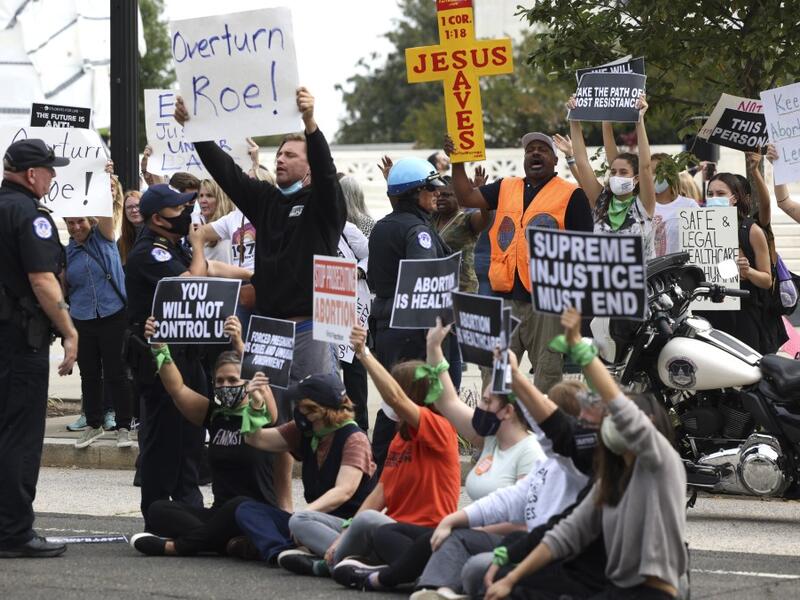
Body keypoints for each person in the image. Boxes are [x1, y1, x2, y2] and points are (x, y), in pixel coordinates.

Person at [175, 87, 346, 513]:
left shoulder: (324, 205)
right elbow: (228, 173)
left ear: (307, 169)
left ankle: (328, 507)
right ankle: (282, 507)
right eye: (280, 154)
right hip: (267, 328)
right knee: (270, 419)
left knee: (317, 417)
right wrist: (194, 129)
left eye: (291, 154)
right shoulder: (267, 201)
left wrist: (311, 125)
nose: (280, 159)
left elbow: (327, 176)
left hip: (310, 327)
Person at [484, 307, 687, 600]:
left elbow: (618, 405)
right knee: (517, 588)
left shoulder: (661, 465)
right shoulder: (610, 479)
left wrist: (579, 346)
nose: (610, 421)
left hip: (652, 594)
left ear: (647, 426)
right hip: (614, 590)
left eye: (615, 417)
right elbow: (566, 533)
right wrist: (511, 578)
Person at [331, 318, 545, 591]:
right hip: (469, 532)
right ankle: (403, 571)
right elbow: (449, 400)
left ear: (508, 411)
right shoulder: (488, 438)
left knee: (467, 564)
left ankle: (391, 578)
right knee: (387, 532)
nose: (479, 405)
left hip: (502, 541)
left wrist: (467, 528)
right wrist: (434, 346)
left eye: (486, 401)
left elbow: (526, 519)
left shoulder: (530, 451)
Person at [124, 183, 252, 526]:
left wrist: (255, 276)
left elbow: (210, 270)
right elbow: (191, 283)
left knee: (191, 434)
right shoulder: (150, 253)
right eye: (178, 211)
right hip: (160, 358)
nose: (186, 215)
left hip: (189, 353)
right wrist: (197, 244)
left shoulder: (173, 246)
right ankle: (156, 510)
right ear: (157, 219)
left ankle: (188, 502)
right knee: (164, 437)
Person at [291, 324, 461, 577]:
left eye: (393, 387)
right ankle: (349, 558)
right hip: (388, 530)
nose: (386, 395)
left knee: (369, 522)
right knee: (300, 520)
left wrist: (364, 353)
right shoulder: (398, 439)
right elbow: (378, 496)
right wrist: (347, 533)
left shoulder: (440, 429)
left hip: (423, 535)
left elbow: (395, 399)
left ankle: (332, 563)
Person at [449, 131, 593, 394]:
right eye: (530, 150)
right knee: (495, 374)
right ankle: (497, 432)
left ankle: (546, 433)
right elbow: (465, 198)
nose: (535, 153)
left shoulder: (573, 195)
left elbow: (584, 254)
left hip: (548, 305)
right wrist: (457, 160)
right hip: (505, 299)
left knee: (548, 376)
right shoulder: (506, 187)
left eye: (543, 149)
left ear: (555, 160)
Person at [129, 316, 278, 557]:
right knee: (158, 510)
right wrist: (158, 346)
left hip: (255, 513)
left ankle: (177, 547)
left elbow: (264, 388)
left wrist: (239, 343)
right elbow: (177, 389)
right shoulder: (214, 414)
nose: (225, 385)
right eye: (219, 381)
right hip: (220, 516)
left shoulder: (261, 414)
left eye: (232, 380)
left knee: (238, 505)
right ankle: (226, 544)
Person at [0, 138, 77, 558]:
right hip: (19, 340)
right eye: (50, 170)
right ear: (32, 175)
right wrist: (69, 330)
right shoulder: (31, 216)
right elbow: (42, 280)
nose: (53, 176)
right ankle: (13, 532)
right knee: (19, 436)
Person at [231, 373, 376, 566]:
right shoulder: (306, 431)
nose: (297, 409)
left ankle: (339, 556)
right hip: (312, 519)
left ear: (318, 410)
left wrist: (304, 514)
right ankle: (285, 552)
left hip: (345, 525)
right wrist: (256, 404)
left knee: (298, 522)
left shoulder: (354, 439)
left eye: (301, 404)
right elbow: (255, 439)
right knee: (247, 509)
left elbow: (344, 491)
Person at [367, 156, 450, 472]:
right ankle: (402, 466)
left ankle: (383, 464)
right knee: (414, 401)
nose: (437, 194)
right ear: (415, 192)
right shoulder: (418, 232)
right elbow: (424, 282)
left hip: (386, 325)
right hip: (413, 330)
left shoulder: (383, 227)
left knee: (393, 399)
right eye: (431, 188)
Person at [63, 212, 132, 449]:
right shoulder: (66, 252)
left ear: (90, 221)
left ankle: (124, 426)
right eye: (70, 223)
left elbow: (105, 214)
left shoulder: (104, 238)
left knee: (116, 373)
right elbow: (64, 287)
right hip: (82, 317)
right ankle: (93, 424)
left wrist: (102, 181)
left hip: (112, 313)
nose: (76, 227)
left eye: (80, 221)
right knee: (89, 375)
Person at [696, 172, 776, 354]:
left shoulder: (751, 230)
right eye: (710, 194)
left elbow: (766, 280)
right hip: (709, 314)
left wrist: (748, 272)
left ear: (735, 198)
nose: (714, 198)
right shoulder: (698, 228)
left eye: (720, 194)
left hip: (743, 316)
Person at [569, 93, 656, 260]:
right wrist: (574, 117)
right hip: (603, 283)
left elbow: (645, 166)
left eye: (623, 173)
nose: (616, 176)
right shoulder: (601, 202)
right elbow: (582, 162)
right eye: (613, 172)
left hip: (639, 283)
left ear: (636, 178)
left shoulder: (643, 206)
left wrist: (639, 120)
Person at [196, 179, 235, 263]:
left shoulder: (227, 234)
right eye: (201, 196)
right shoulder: (198, 224)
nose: (202, 201)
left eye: (209, 196)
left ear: (221, 199)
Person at [118, 190, 143, 265]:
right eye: (129, 207)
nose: (134, 210)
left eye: (138, 205)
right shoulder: (121, 242)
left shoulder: (155, 234)